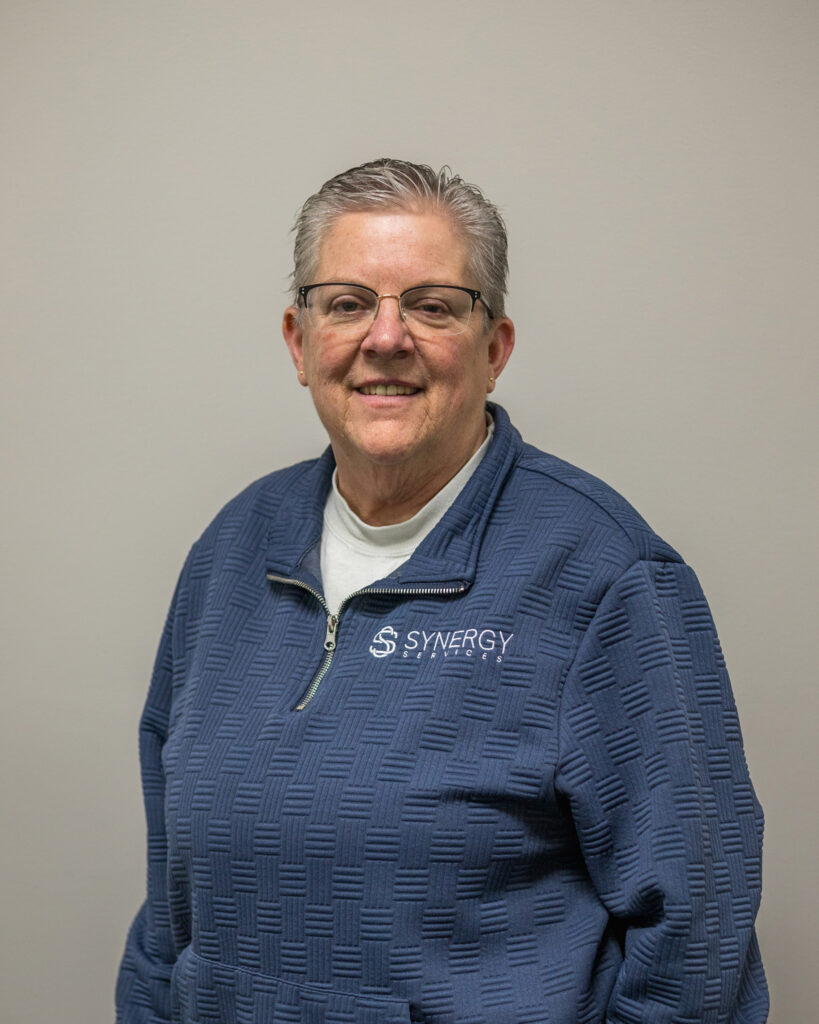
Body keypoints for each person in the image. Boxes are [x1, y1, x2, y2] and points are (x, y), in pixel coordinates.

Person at [115, 158, 768, 1023]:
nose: (385, 338)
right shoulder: (233, 552)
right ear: (299, 342)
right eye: (347, 303)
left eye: (431, 306)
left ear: (493, 349)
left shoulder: (604, 576)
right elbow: (170, 917)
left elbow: (698, 942)